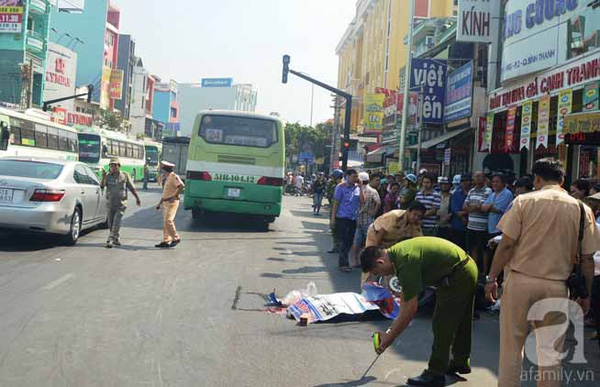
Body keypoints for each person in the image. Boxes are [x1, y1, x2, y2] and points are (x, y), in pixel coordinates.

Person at [485, 158, 600, 387]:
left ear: (536, 179)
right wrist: (585, 294)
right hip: (557, 287)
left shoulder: (523, 202)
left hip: (520, 282)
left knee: (511, 349)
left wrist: (491, 279)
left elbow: (506, 245)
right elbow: (587, 259)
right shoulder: (581, 209)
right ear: (562, 180)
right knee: (550, 355)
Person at [361, 237, 478, 387]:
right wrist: (390, 331)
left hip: (458, 275)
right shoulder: (398, 254)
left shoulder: (405, 261)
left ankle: (435, 374)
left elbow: (409, 309)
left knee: (442, 324)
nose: (383, 276)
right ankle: (460, 361)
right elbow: (405, 298)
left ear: (380, 262)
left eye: (379, 272)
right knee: (460, 319)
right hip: (464, 269)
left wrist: (389, 338)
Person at [100, 157, 141, 248]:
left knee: (116, 222)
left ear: (119, 166)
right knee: (110, 223)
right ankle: (115, 238)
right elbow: (102, 186)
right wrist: (103, 177)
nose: (113, 167)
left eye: (115, 165)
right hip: (110, 203)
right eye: (111, 165)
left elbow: (132, 188)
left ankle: (110, 239)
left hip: (121, 203)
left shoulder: (125, 175)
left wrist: (137, 198)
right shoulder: (106, 176)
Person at [330, 169, 365, 272]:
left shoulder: (357, 188)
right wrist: (333, 218)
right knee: (343, 241)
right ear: (347, 176)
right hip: (342, 218)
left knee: (349, 241)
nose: (356, 178)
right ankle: (343, 264)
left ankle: (344, 263)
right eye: (354, 176)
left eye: (356, 177)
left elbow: (363, 201)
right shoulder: (340, 187)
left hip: (353, 218)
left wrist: (361, 187)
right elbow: (335, 203)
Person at [481, 173, 513, 276]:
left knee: (499, 255)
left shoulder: (507, 194)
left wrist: (489, 207)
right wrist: (490, 206)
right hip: (490, 227)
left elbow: (498, 209)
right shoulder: (492, 194)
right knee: (490, 253)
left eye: (497, 181)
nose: (494, 184)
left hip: (500, 228)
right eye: (493, 182)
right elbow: (483, 208)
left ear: (503, 183)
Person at [463, 171, 492, 276]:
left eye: (480, 176)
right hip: (471, 225)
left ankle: (484, 271)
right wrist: (474, 207)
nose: (477, 178)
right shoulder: (471, 191)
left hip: (482, 226)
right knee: (473, 248)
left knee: (484, 249)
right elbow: (464, 207)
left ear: (484, 178)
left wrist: (473, 207)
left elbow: (482, 207)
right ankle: (474, 269)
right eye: (476, 176)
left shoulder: (488, 191)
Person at [350, 172, 381, 267]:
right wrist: (373, 212)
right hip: (368, 220)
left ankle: (355, 260)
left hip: (358, 219)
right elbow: (378, 202)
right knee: (369, 241)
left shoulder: (355, 190)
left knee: (357, 241)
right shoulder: (372, 191)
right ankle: (367, 262)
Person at [155, 161, 185, 248]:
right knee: (165, 223)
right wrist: (159, 204)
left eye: (163, 170)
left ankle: (176, 238)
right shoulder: (167, 178)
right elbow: (165, 193)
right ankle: (166, 240)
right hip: (166, 202)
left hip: (172, 202)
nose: (163, 172)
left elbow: (182, 186)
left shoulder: (173, 177)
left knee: (168, 221)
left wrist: (175, 195)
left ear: (166, 170)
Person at [450, 174, 471, 250]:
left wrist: (465, 212)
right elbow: (454, 209)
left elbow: (475, 207)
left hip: (471, 225)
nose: (464, 183)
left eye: (466, 180)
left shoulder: (473, 192)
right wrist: (461, 216)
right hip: (457, 225)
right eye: (462, 181)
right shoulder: (456, 193)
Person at [327, 169, 344, 254]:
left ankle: (340, 246)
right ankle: (336, 246)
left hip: (341, 210)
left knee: (340, 229)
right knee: (334, 229)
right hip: (334, 208)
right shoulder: (333, 185)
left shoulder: (342, 186)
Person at [437, 177, 453, 241]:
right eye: (443, 184)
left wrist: (451, 215)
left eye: (447, 184)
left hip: (448, 226)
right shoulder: (436, 195)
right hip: (436, 225)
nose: (444, 186)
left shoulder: (452, 196)